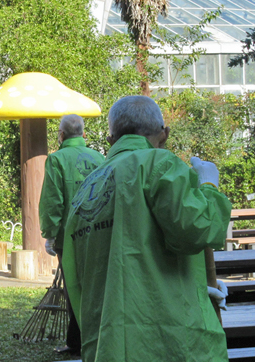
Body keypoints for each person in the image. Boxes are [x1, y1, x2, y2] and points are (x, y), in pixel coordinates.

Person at [62, 95, 231, 362]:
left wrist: (194, 281)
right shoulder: (159, 164)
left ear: (110, 140)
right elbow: (196, 227)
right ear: (164, 135)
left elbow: (85, 271)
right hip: (164, 339)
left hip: (108, 339)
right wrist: (209, 186)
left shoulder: (86, 189)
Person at [39, 114, 105, 355]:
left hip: (69, 237)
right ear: (84, 135)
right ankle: (94, 338)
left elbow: (52, 202)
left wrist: (50, 234)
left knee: (73, 288)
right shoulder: (100, 158)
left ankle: (77, 343)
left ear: (62, 135)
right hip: (99, 233)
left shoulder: (56, 160)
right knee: (96, 285)